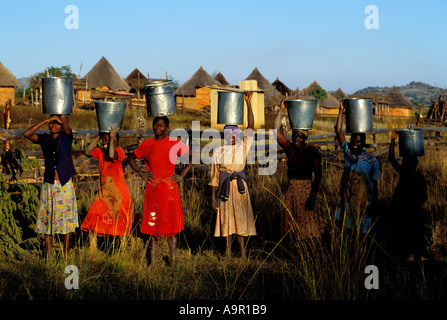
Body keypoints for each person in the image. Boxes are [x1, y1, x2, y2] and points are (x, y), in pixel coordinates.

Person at [127, 116, 193, 266]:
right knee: (153, 225)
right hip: (153, 189)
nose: (158, 128)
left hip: (170, 189)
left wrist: (181, 175)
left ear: (167, 127)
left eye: (162, 125)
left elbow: (192, 157)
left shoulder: (174, 143)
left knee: (171, 226)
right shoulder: (147, 145)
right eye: (156, 125)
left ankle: (174, 261)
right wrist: (141, 172)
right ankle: (153, 263)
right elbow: (130, 159)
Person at [23, 114, 78, 260]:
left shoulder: (66, 138)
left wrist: (62, 119)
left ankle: (66, 256)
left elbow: (67, 127)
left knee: (67, 221)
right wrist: (45, 121)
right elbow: (27, 134)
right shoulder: (45, 139)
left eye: (56, 123)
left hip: (64, 185)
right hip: (49, 185)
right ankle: (49, 257)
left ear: (61, 125)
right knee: (48, 220)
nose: (53, 125)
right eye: (51, 123)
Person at [210, 92, 257, 259]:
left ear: (238, 135)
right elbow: (214, 177)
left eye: (234, 134)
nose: (231, 137)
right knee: (226, 220)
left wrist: (248, 103)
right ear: (224, 136)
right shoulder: (218, 151)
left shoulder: (243, 146)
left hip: (239, 189)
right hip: (224, 190)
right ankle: (228, 254)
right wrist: (213, 197)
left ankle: (243, 254)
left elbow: (251, 126)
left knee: (241, 219)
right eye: (228, 134)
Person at [273, 99, 324, 241]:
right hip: (292, 190)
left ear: (305, 138)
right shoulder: (290, 149)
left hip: (306, 191)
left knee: (307, 226)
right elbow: (276, 132)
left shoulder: (312, 152)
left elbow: (318, 176)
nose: (296, 139)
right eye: (295, 135)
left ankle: (310, 254)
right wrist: (281, 109)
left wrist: (313, 196)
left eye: (300, 136)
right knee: (291, 225)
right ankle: (293, 253)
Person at [81, 124, 134, 256]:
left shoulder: (119, 151)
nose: (106, 142)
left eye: (109, 140)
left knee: (120, 221)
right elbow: (87, 152)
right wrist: (100, 135)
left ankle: (122, 251)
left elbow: (111, 155)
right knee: (93, 216)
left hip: (119, 193)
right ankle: (92, 250)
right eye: (104, 140)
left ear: (116, 141)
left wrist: (111, 138)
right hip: (104, 193)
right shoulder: (100, 152)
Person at [334, 101, 381, 236]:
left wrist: (374, 204)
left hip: (364, 201)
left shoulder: (372, 161)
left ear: (363, 143)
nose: (356, 142)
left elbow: (375, 185)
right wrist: (340, 111)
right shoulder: (348, 152)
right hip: (348, 199)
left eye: (359, 141)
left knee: (362, 233)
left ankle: (361, 254)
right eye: (354, 139)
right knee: (346, 229)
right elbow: (338, 130)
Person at [388, 129, 427, 261]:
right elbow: (424, 197)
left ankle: (403, 255)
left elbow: (391, 158)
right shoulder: (419, 177)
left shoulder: (404, 173)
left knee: (402, 231)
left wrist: (393, 140)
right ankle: (415, 255)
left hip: (404, 209)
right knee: (414, 232)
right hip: (414, 210)